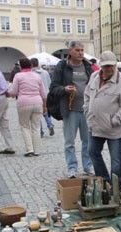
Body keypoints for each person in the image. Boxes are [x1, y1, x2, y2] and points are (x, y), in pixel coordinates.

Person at [84, 51, 121, 183]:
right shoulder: (94, 76)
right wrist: (87, 111)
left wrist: (114, 121)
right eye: (106, 66)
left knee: (116, 160)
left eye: (111, 65)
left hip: (113, 128)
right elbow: (87, 95)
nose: (109, 68)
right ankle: (105, 181)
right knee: (92, 152)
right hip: (94, 125)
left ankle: (117, 186)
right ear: (101, 66)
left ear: (115, 65)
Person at [50, 40, 94, 178]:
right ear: (70, 51)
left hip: (87, 109)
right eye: (77, 50)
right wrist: (64, 89)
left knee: (88, 141)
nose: (80, 53)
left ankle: (88, 166)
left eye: (82, 50)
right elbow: (53, 88)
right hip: (70, 109)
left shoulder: (88, 66)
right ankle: (72, 168)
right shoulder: (62, 66)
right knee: (70, 142)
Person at [8, 58, 46, 157]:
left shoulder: (18, 76)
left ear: (20, 66)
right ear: (31, 65)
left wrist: (8, 93)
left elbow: (14, 92)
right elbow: (43, 93)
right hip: (37, 102)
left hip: (23, 103)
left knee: (25, 126)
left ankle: (30, 150)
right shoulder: (37, 76)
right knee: (36, 127)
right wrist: (44, 106)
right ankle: (37, 150)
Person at [31, 57, 55, 137]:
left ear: (31, 64)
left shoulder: (31, 73)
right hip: (46, 94)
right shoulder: (45, 72)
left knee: (36, 113)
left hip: (36, 95)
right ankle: (50, 125)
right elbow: (49, 83)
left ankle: (40, 130)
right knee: (46, 111)